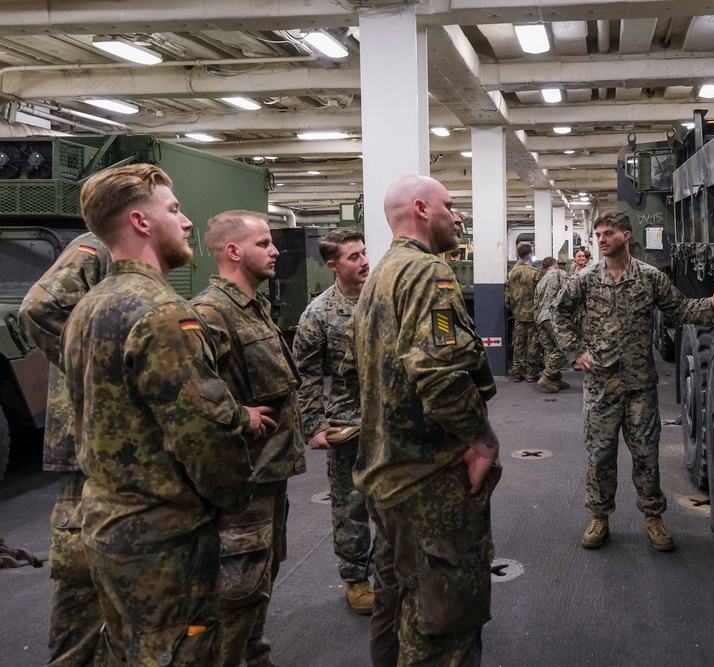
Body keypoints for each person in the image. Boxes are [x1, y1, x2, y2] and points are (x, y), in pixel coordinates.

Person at [60, 164, 274, 666]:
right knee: (182, 649)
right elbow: (204, 434)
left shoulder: (89, 307)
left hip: (108, 525)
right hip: (165, 537)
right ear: (140, 221)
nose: (186, 223)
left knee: (131, 651)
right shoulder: (162, 313)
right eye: (174, 210)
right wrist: (231, 501)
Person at [349, 174, 502, 666]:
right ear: (421, 209)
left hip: (385, 474)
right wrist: (482, 441)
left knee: (395, 604)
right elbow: (439, 368)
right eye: (450, 206)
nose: (457, 216)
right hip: (426, 480)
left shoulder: (378, 277)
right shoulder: (428, 276)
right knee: (443, 626)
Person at [551, 211, 714, 551]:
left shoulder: (649, 278)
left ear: (626, 235)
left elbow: (680, 309)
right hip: (601, 385)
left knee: (646, 455)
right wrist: (575, 351)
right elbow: (557, 312)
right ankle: (599, 517)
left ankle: (653, 517)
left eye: (608, 233)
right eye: (598, 234)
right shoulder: (586, 279)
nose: (602, 239)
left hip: (640, 388)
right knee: (600, 456)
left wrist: (713, 304)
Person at [191, 210, 307, 667]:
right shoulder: (210, 312)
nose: (276, 250)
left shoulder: (255, 304)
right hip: (241, 480)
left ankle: (252, 654)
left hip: (269, 473)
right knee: (236, 590)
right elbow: (187, 390)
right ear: (234, 251)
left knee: (262, 574)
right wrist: (238, 416)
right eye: (264, 243)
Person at [19, 232, 112, 667]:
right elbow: (40, 308)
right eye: (171, 208)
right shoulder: (97, 248)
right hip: (86, 452)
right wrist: (104, 366)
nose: (185, 221)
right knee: (82, 607)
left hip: (116, 456)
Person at [291, 228, 375, 615]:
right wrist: (314, 425)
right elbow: (305, 375)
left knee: (397, 499)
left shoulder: (386, 297)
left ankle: (396, 571)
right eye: (353, 257)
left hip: (394, 419)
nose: (363, 261)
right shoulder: (319, 313)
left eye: (363, 253)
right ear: (333, 264)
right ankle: (356, 577)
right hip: (349, 421)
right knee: (350, 504)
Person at [505, 241, 541, 382]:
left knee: (518, 344)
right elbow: (540, 295)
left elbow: (507, 294)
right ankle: (532, 373)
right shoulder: (535, 273)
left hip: (518, 314)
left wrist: (512, 308)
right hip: (533, 315)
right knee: (533, 344)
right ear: (531, 254)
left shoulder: (512, 273)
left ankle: (517, 372)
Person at [534, 256, 571, 393]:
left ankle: (555, 379)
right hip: (555, 317)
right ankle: (548, 375)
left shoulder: (540, 282)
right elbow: (570, 291)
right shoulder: (560, 273)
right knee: (565, 347)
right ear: (555, 265)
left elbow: (536, 303)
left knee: (550, 349)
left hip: (541, 319)